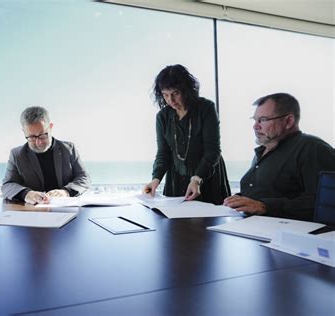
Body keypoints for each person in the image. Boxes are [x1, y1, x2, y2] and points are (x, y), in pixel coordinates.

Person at [223, 93, 335, 220]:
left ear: (288, 121)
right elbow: (268, 191)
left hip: (290, 233)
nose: (255, 126)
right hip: (252, 226)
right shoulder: (263, 151)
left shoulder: (313, 149)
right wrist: (238, 200)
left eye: (263, 119)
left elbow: (326, 203)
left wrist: (264, 206)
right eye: (255, 120)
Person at [143, 64, 231, 204]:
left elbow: (213, 151)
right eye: (165, 95)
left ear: (186, 90)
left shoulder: (206, 108)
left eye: (175, 93)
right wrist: (156, 179)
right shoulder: (162, 117)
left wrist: (197, 179)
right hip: (176, 180)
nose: (170, 100)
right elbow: (163, 153)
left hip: (206, 177)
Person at [2, 106, 90, 204]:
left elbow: (84, 178)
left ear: (50, 127)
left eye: (43, 135)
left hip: (67, 210)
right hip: (33, 213)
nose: (39, 142)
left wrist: (66, 192)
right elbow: (7, 185)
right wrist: (26, 194)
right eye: (32, 137)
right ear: (24, 132)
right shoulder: (17, 154)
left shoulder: (69, 149)